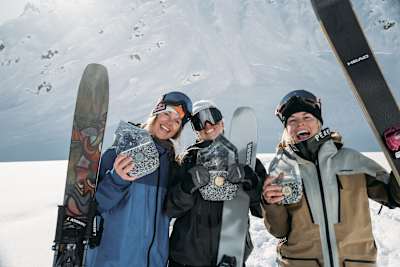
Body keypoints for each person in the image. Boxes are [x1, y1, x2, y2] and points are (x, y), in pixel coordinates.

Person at [262, 90, 400, 267]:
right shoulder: (282, 169)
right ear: (286, 128)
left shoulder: (352, 160)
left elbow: (394, 196)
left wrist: (398, 158)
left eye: (307, 117)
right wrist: (271, 204)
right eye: (292, 120)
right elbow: (279, 230)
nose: (300, 124)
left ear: (319, 122)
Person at [85, 91, 192, 267]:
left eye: (177, 121)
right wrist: (116, 179)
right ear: (156, 113)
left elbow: (172, 212)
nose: (169, 123)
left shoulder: (172, 166)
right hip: (114, 260)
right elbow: (95, 206)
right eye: (167, 114)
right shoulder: (119, 152)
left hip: (153, 261)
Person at [166, 100, 266, 267]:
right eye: (199, 121)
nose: (207, 125)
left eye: (213, 117)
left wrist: (252, 181)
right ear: (195, 130)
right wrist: (186, 187)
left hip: (231, 256)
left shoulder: (245, 159)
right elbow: (170, 209)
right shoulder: (185, 161)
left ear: (222, 121)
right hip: (187, 259)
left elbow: (262, 210)